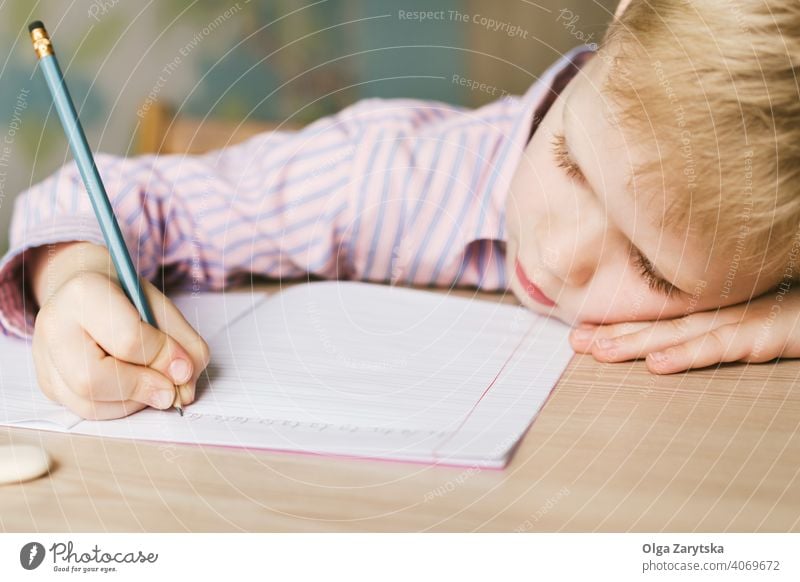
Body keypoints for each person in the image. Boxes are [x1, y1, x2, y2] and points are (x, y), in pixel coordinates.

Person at [1, 0, 797, 420]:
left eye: (655, 268)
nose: (559, 256)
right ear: (621, 19)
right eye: (572, 163)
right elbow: (107, 198)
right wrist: (75, 277)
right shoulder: (401, 179)